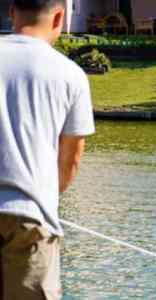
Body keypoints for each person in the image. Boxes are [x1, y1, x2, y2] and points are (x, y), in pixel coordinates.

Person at [0, 0, 95, 299]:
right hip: (31, 216)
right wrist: (47, 194)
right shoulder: (71, 75)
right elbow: (71, 158)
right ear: (59, 17)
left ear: (12, 13)